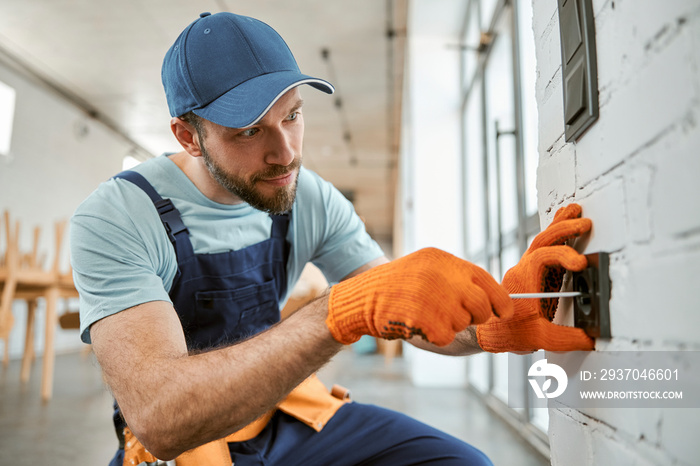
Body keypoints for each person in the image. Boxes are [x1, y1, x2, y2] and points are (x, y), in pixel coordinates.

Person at [70, 11, 594, 466]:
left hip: (285, 414)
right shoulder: (118, 217)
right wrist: (334, 314)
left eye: (292, 115)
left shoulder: (306, 196)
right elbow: (161, 418)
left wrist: (495, 324)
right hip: (182, 447)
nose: (286, 153)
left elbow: (406, 315)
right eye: (250, 131)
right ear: (188, 135)